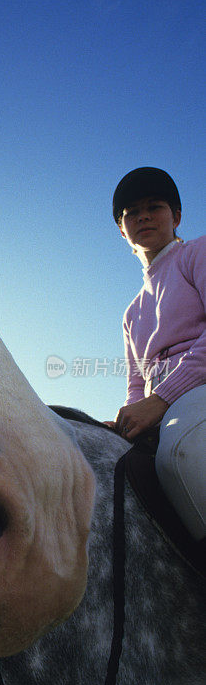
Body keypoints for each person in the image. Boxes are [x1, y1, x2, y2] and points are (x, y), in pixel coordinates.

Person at [108, 167, 206, 541]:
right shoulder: (132, 313)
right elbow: (136, 386)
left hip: (198, 392)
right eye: (132, 212)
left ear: (176, 216)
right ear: (122, 229)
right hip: (159, 410)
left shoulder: (196, 253)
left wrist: (161, 399)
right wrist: (125, 424)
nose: (143, 216)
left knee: (179, 454)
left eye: (155, 206)